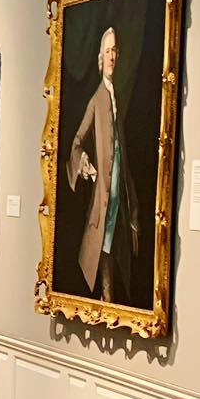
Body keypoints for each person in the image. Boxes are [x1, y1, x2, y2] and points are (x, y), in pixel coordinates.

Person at [68, 24, 139, 301]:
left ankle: (109, 299)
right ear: (100, 57)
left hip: (120, 194)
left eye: (114, 51)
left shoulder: (116, 96)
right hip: (103, 196)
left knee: (116, 246)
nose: (111, 56)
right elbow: (76, 142)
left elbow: (124, 156)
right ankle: (106, 298)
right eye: (106, 51)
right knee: (103, 245)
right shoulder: (97, 99)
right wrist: (83, 161)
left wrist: (134, 209)